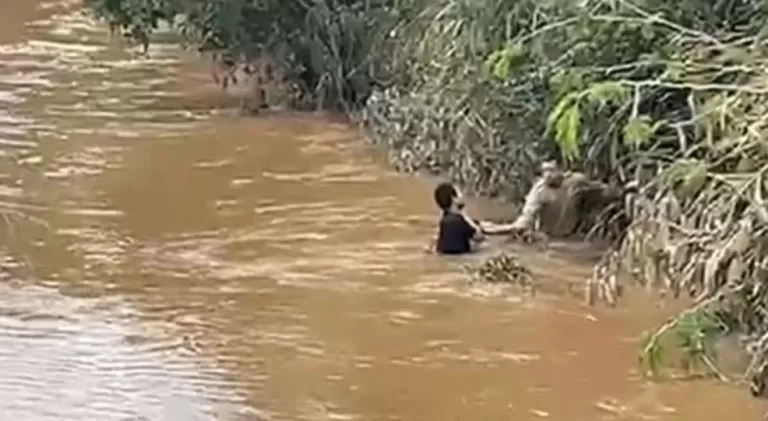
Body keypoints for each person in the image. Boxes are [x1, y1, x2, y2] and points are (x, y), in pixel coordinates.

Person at [432, 182, 487, 255]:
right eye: (459, 193)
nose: (462, 195)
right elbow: (480, 237)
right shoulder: (459, 220)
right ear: (453, 198)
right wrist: (466, 217)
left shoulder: (444, 219)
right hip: (460, 257)